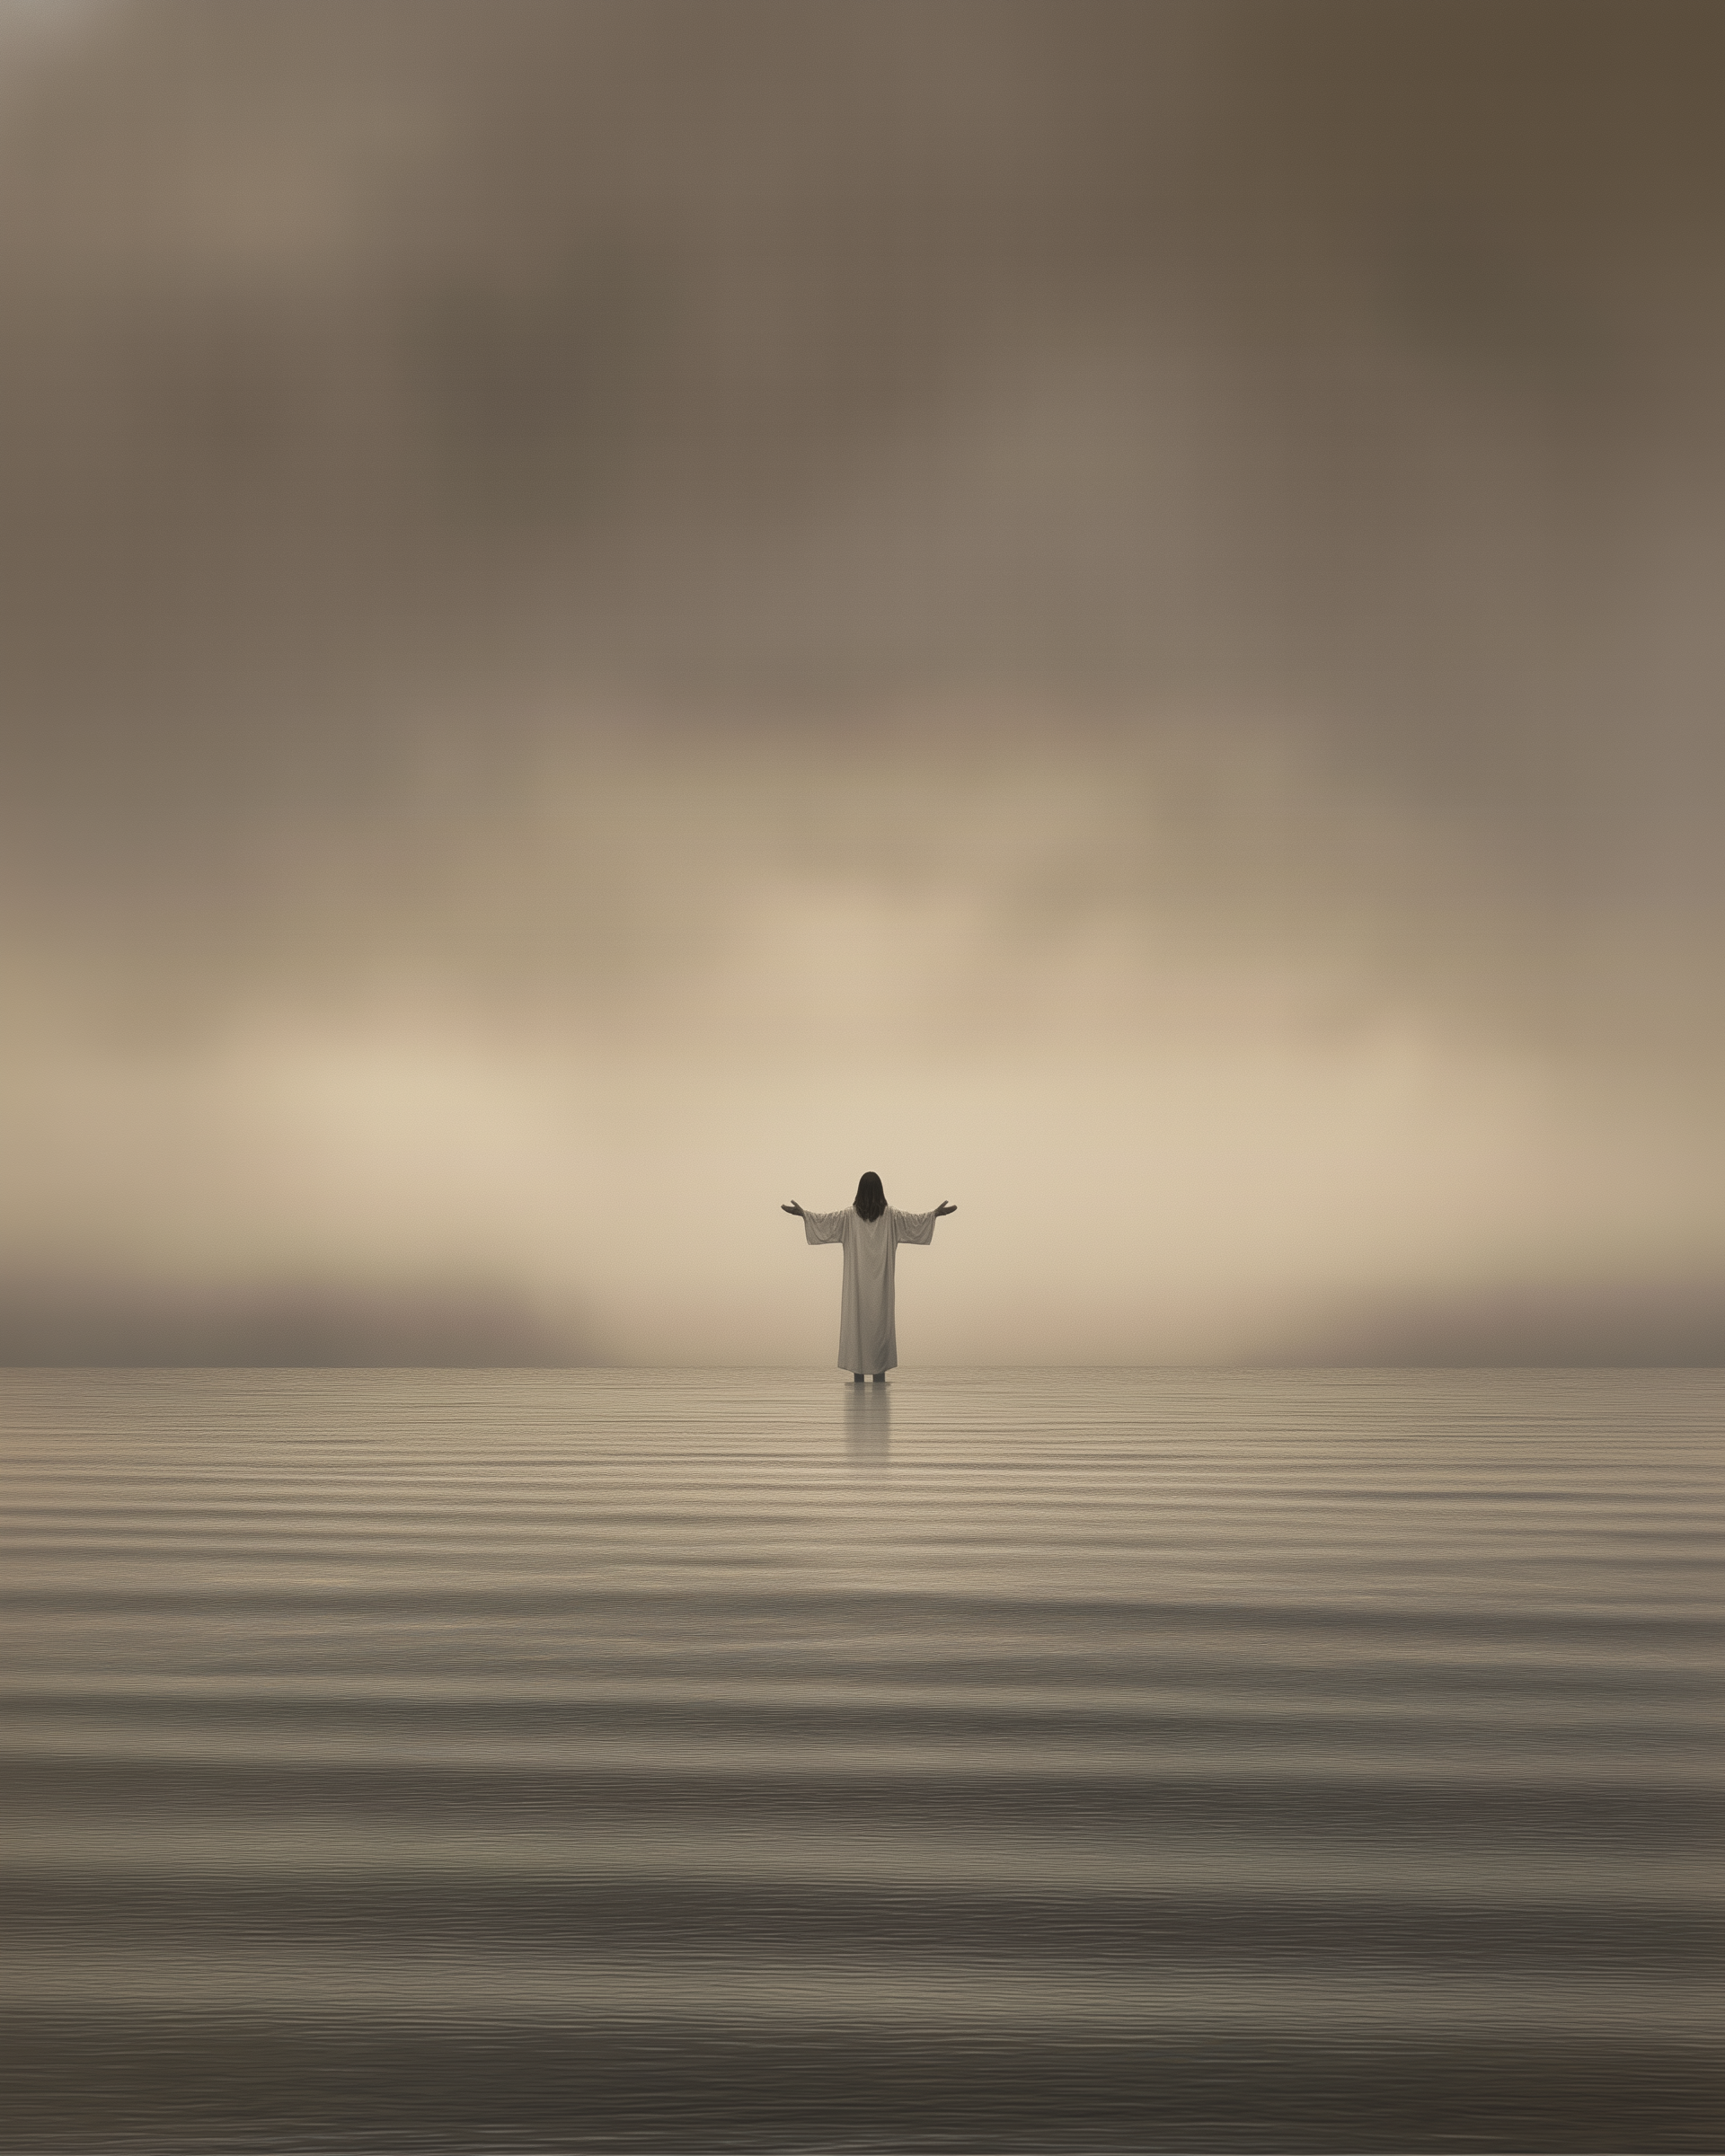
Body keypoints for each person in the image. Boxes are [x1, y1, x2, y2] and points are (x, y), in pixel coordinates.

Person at [783, 1171, 956, 1381]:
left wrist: (804, 1214)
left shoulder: (849, 1217)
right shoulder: (891, 1216)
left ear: (860, 1191)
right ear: (880, 1191)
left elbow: (823, 1222)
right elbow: (916, 1223)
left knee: (857, 1328)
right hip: (881, 1289)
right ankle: (879, 1401)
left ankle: (859, 1396)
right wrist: (935, 1214)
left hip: (856, 1288)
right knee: (879, 1331)